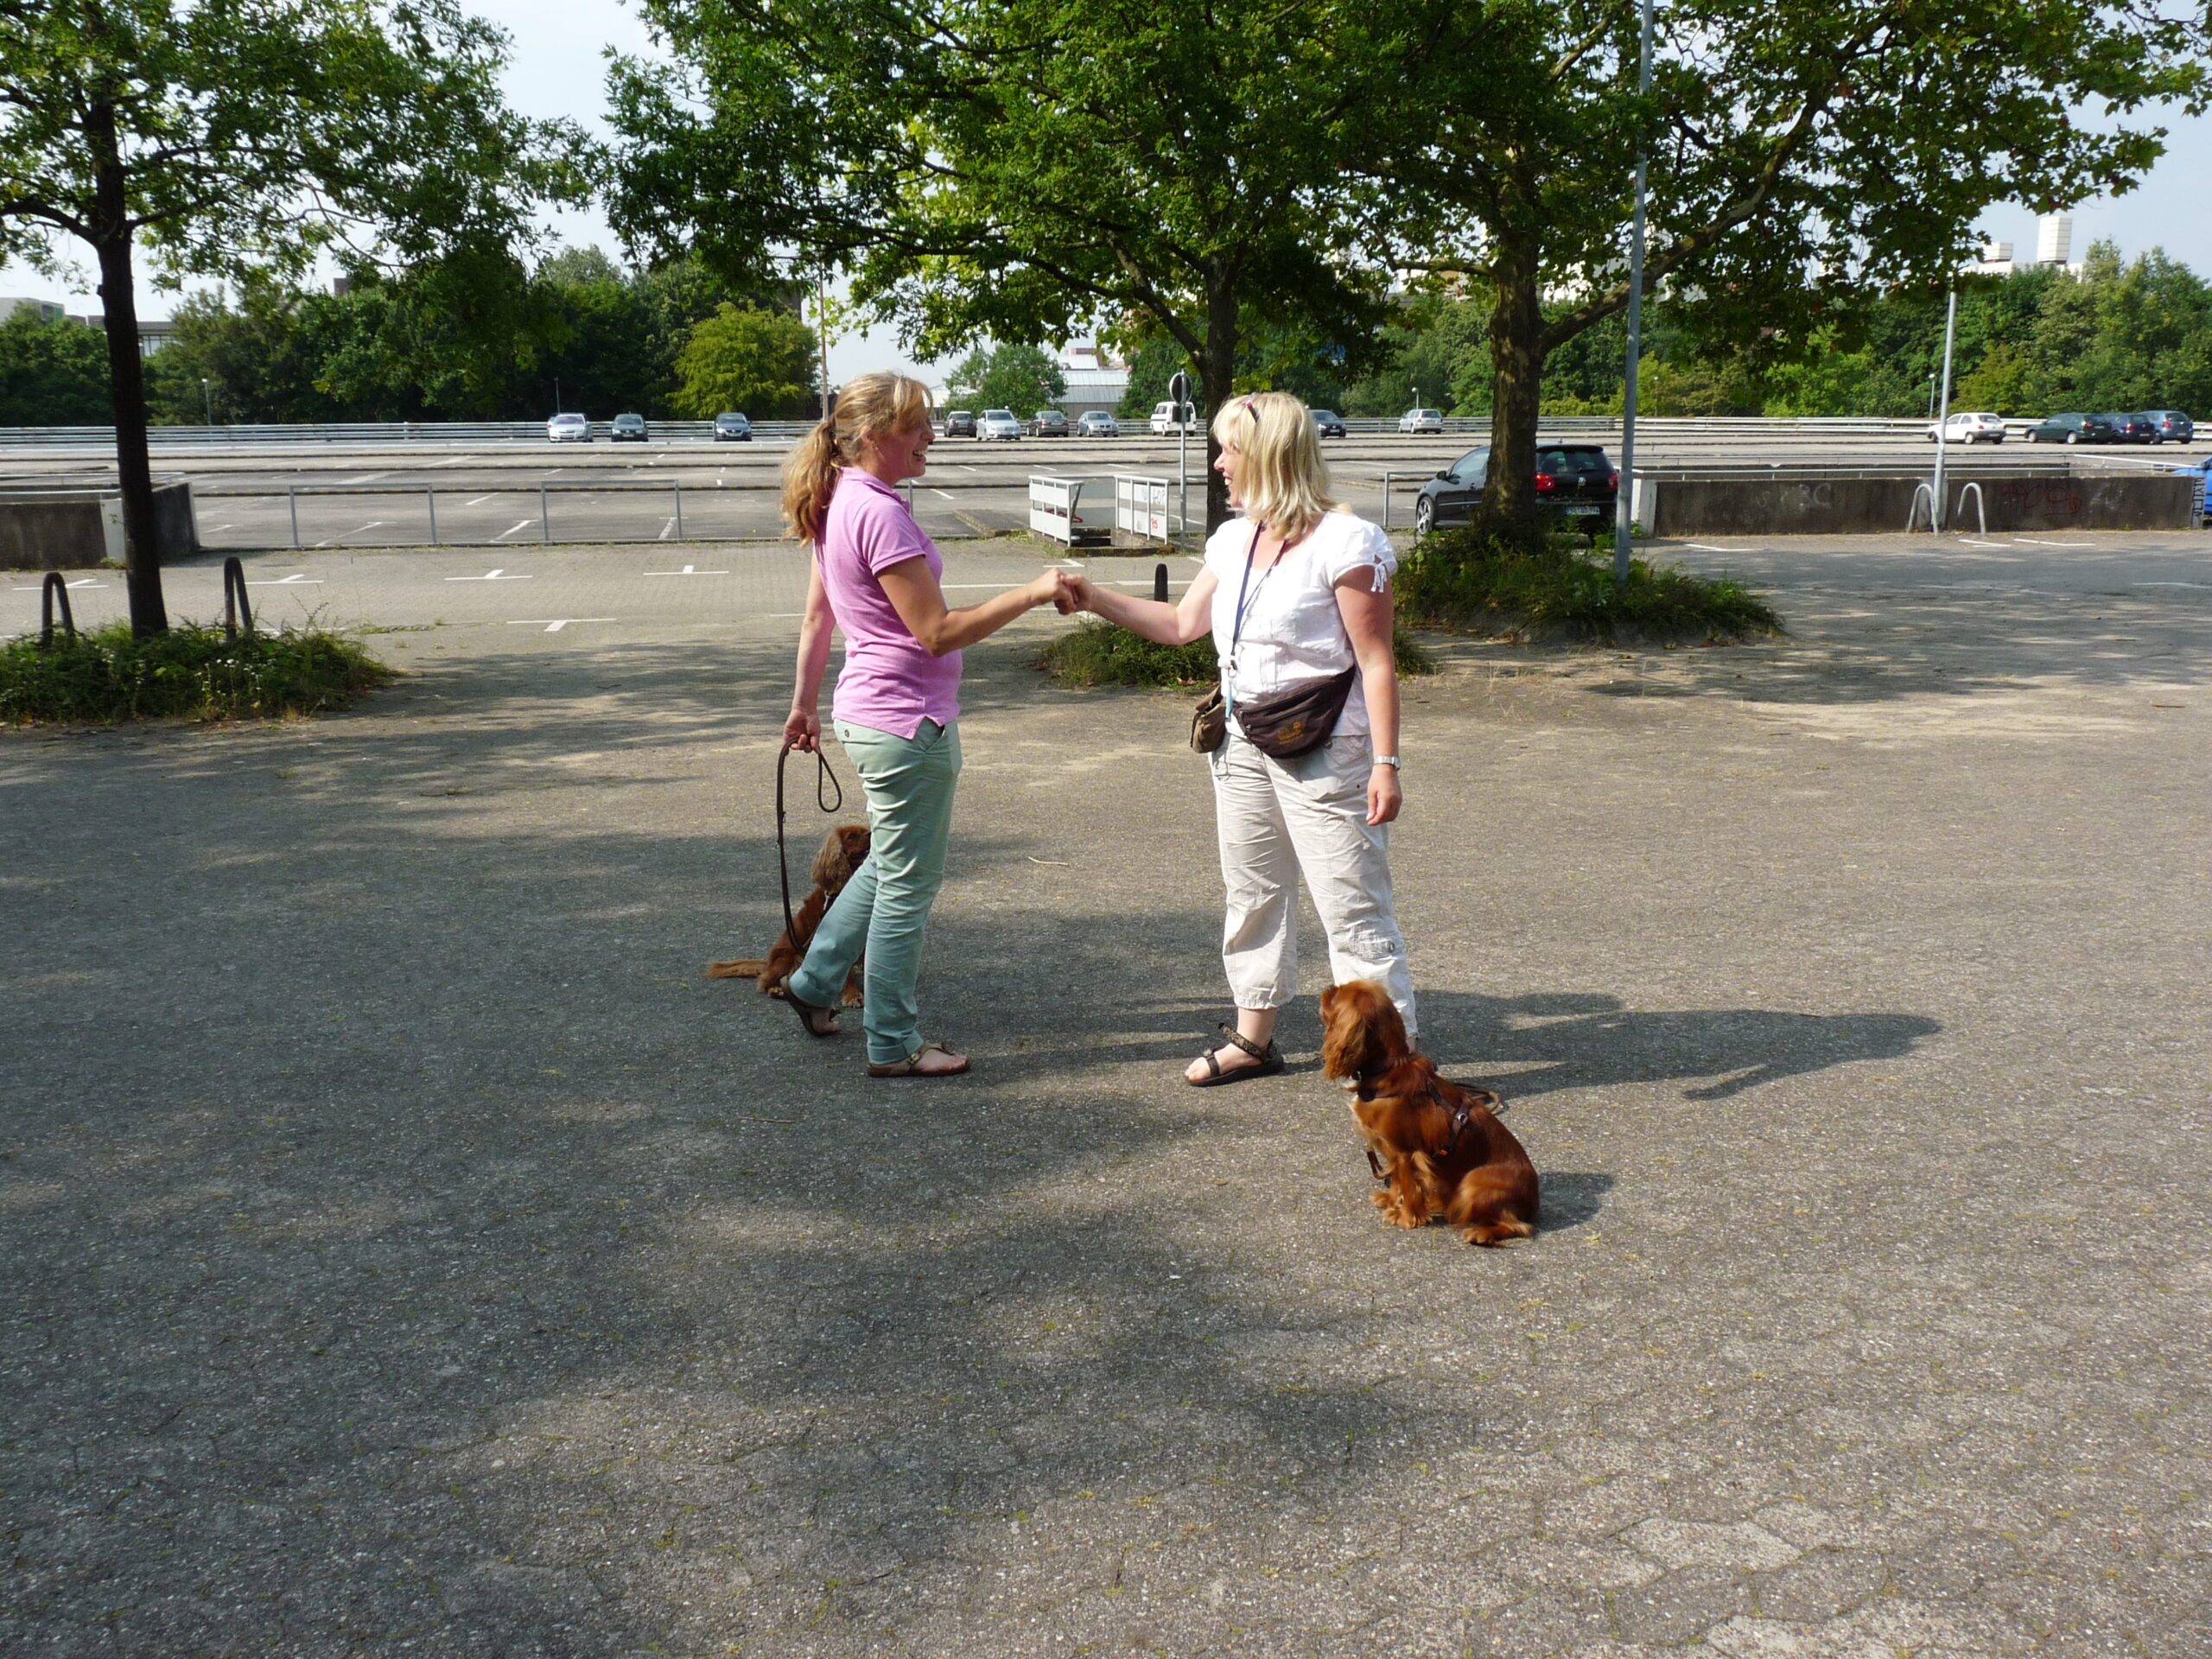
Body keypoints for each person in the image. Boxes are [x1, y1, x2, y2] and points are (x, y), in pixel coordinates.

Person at [1066, 391, 1414, 1084]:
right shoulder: (1235, 538)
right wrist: (1093, 595)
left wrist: (1385, 762)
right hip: (1243, 742)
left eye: (1231, 450)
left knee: (1351, 905)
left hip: (1329, 750)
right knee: (1253, 893)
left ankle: (1393, 1071)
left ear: (1270, 457)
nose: (1220, 462)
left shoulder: (1348, 544)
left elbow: (1377, 660)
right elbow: (1179, 626)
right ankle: (1255, 1040)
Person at [779, 372, 1072, 1077]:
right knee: (909, 885)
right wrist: (1032, 592)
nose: (931, 438)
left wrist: (803, 704)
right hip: (908, 725)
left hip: (871, 714)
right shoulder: (876, 513)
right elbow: (936, 632)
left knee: (888, 865)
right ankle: (893, 1042)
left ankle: (815, 983)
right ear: (874, 435)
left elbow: (821, 617)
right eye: (917, 427)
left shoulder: (838, 500)